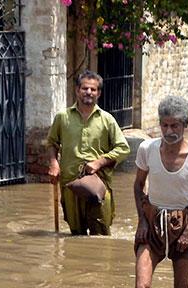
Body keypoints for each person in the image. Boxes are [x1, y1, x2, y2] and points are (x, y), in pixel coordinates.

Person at [133, 96, 188, 288]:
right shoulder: (147, 149)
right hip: (152, 222)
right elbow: (138, 185)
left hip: (183, 223)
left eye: (175, 126)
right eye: (165, 125)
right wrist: (142, 221)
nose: (169, 131)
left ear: (185, 125)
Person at [47, 70, 130, 235]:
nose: (89, 92)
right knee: (76, 234)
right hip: (70, 183)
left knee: (101, 235)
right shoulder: (63, 117)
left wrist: (99, 162)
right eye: (85, 88)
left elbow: (123, 148)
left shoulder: (107, 120)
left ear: (98, 93)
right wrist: (53, 162)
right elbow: (52, 142)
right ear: (77, 90)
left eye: (93, 89)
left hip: (98, 185)